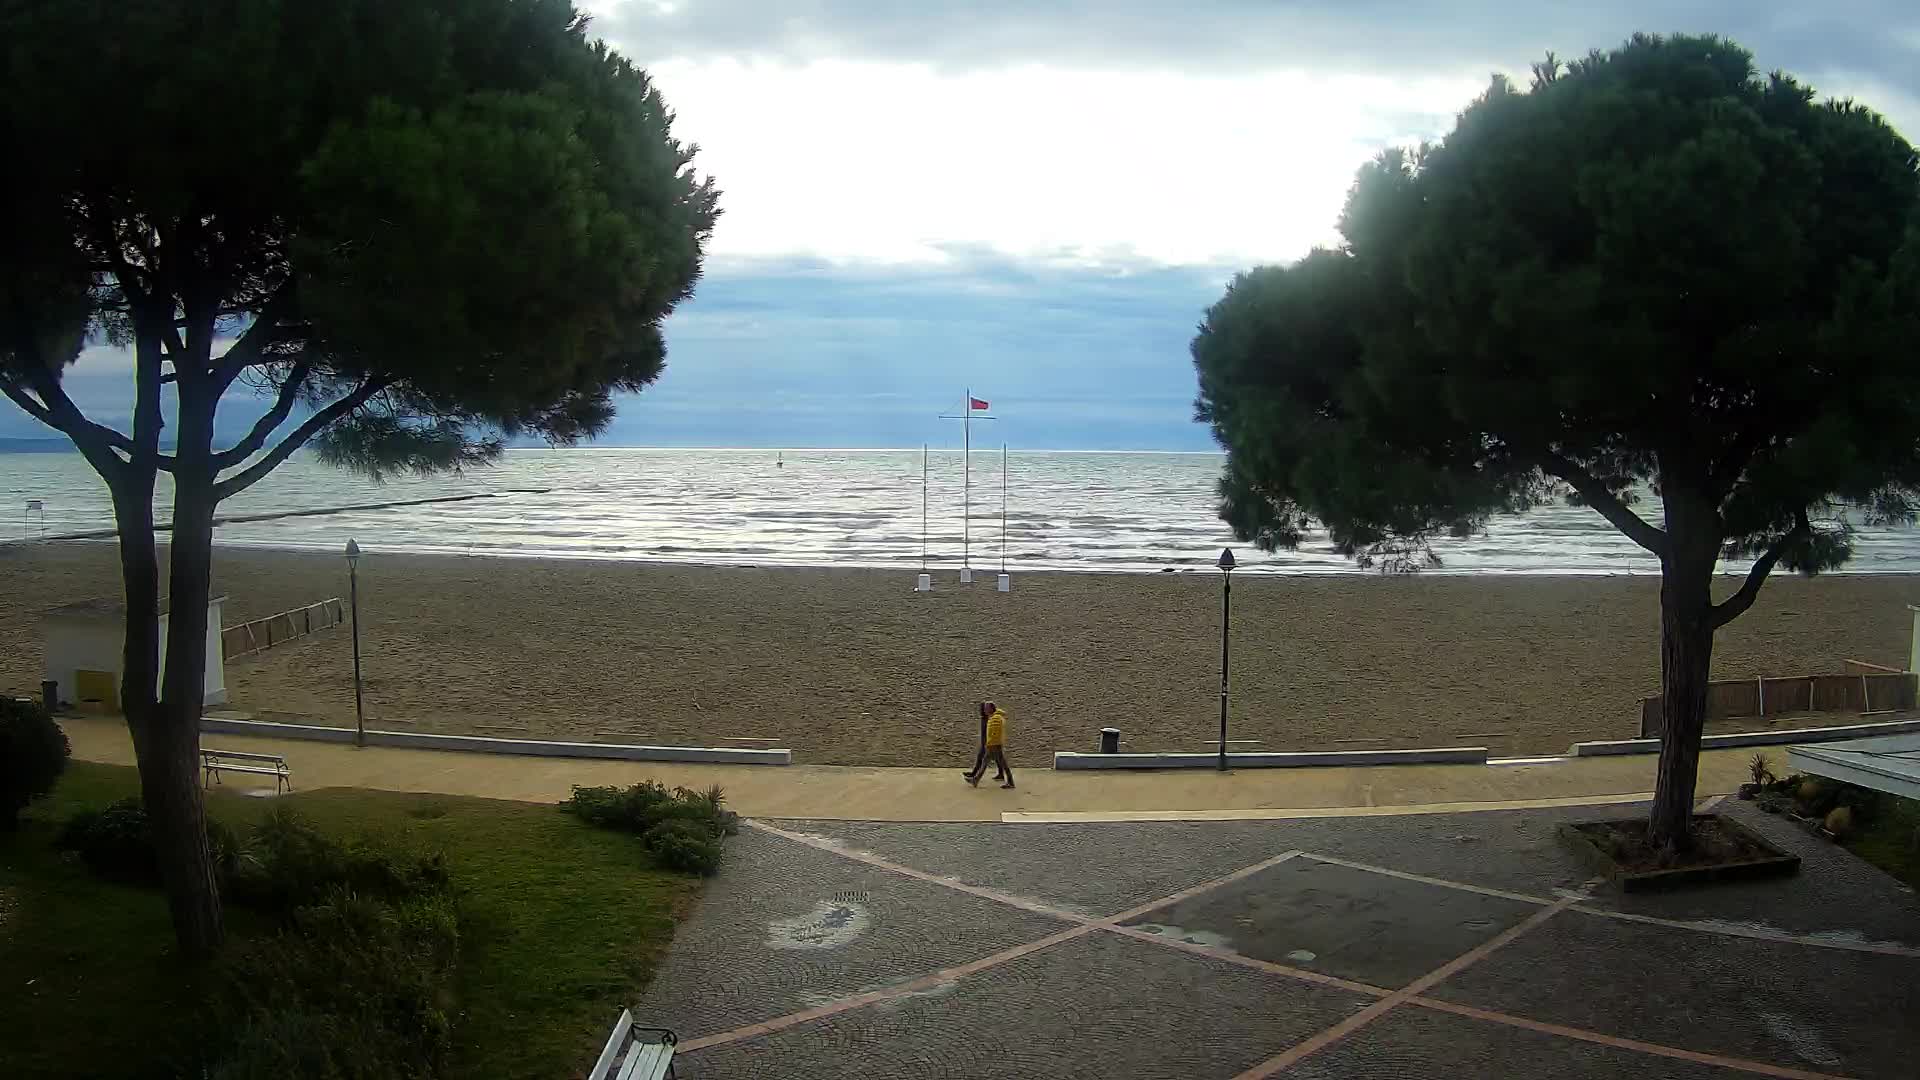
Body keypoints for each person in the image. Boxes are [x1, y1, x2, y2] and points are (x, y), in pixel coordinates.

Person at [966, 700, 1014, 789]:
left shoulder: (996, 719)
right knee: (986, 761)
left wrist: (989, 744)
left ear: (991, 709)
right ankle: (975, 779)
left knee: (1003, 763)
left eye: (986, 708)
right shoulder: (994, 717)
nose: (984, 710)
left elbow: (995, 734)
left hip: (994, 745)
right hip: (993, 744)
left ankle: (1011, 782)